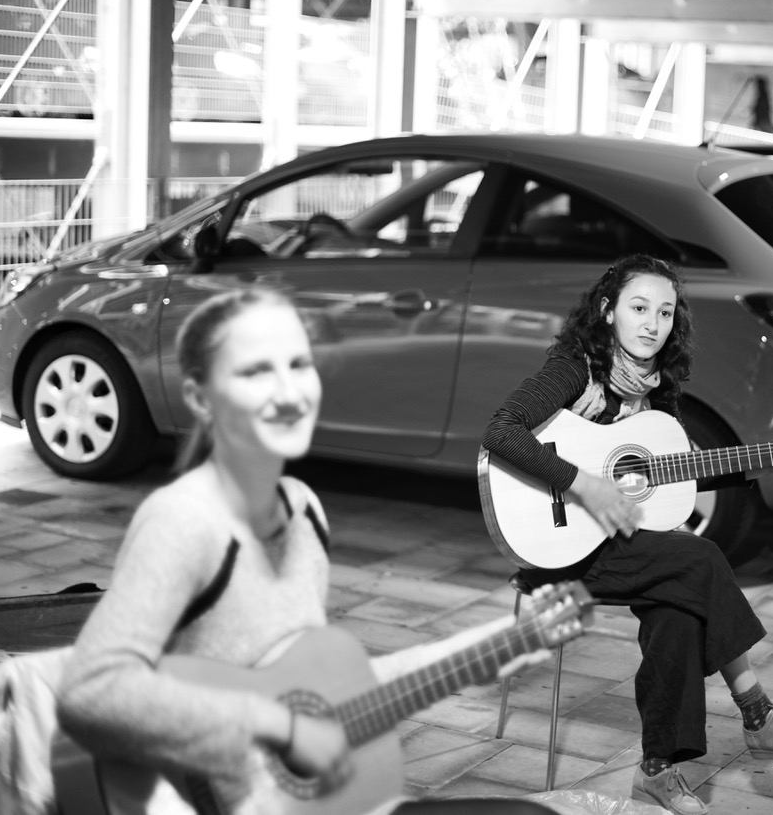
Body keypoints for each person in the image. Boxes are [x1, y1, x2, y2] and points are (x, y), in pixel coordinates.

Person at [55, 288, 555, 815]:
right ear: (201, 398)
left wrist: (472, 655)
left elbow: (330, 691)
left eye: (299, 365)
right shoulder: (183, 518)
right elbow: (90, 693)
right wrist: (283, 726)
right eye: (255, 372)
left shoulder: (302, 510)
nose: (290, 392)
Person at [480, 254, 773, 815]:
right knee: (700, 559)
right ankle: (757, 712)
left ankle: (657, 771)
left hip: (623, 547)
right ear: (607, 310)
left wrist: (772, 462)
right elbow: (502, 430)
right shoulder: (575, 369)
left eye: (665, 312)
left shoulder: (657, 385)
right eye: (639, 307)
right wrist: (584, 486)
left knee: (680, 607)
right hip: (559, 547)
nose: (652, 323)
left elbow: (678, 467)